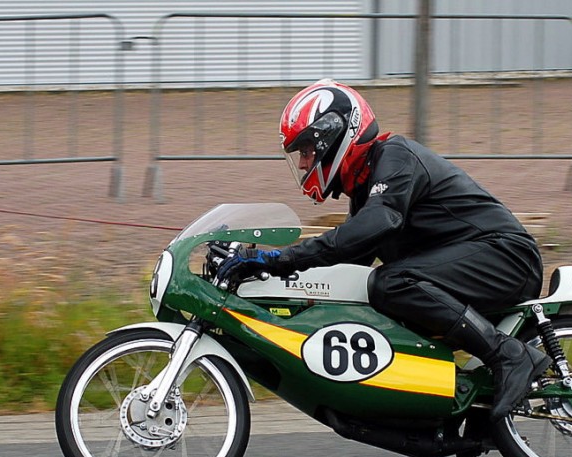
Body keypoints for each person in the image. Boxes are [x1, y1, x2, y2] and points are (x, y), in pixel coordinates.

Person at [219, 79, 551, 421]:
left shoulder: (395, 157)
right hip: (482, 264)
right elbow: (343, 263)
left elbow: (369, 228)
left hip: (507, 258)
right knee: (375, 291)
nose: (304, 164)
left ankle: (509, 355)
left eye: (306, 151)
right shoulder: (365, 189)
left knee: (391, 283)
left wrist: (279, 258)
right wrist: (265, 281)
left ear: (332, 136)